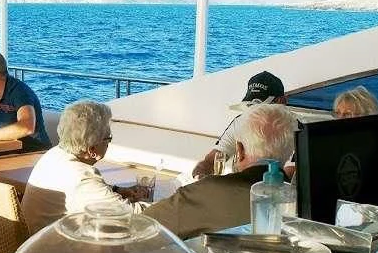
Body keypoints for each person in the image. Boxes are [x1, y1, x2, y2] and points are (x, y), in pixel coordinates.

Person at [145, 103, 297, 241]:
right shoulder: (301, 200)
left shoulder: (206, 193)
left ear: (240, 150)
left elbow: (142, 226)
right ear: (290, 151)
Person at [21, 100, 151, 234]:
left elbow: (84, 192)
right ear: (91, 149)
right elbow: (132, 216)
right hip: (58, 249)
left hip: (38, 240)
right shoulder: (82, 176)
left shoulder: (54, 154)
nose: (108, 144)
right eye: (108, 138)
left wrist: (118, 190)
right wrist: (171, 204)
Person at [193, 70, 291, 179]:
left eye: (261, 107)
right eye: (250, 107)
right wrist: (201, 173)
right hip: (238, 187)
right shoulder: (241, 122)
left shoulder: (297, 130)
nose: (254, 112)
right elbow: (214, 158)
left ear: (281, 101)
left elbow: (289, 175)